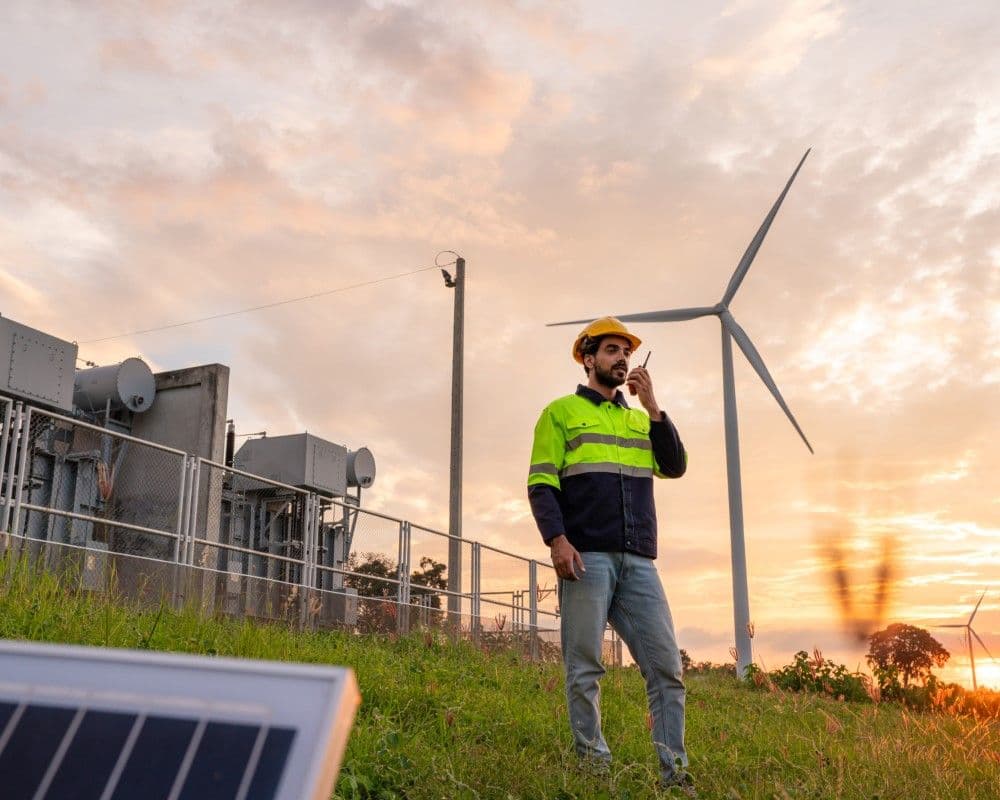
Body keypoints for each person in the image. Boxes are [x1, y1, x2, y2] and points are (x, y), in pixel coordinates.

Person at [527, 316, 694, 795]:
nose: (622, 358)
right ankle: (595, 769)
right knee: (585, 668)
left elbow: (675, 466)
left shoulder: (641, 420)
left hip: (639, 562)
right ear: (589, 358)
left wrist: (654, 405)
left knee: (667, 671)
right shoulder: (559, 413)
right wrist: (557, 540)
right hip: (586, 557)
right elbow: (541, 484)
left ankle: (675, 775)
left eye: (626, 351)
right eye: (612, 350)